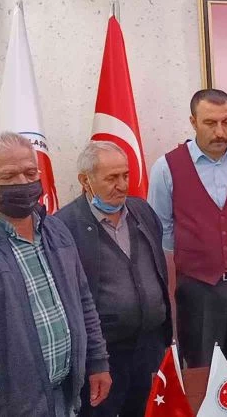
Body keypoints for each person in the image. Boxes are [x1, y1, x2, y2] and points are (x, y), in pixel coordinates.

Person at [0, 132, 110, 416]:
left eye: (30, 173)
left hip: (66, 397)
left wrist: (97, 361)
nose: (23, 183)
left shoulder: (55, 230)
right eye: (8, 176)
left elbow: (83, 302)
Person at [148, 89, 227, 367]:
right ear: (193, 122)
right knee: (203, 370)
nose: (220, 132)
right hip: (198, 291)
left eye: (226, 122)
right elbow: (162, 231)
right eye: (210, 123)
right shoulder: (166, 168)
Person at [57, 141, 171, 416]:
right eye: (111, 178)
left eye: (125, 175)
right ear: (85, 181)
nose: (122, 185)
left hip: (150, 348)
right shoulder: (64, 226)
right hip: (104, 356)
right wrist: (94, 359)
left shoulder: (142, 211)